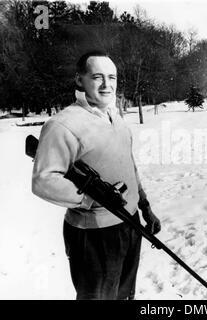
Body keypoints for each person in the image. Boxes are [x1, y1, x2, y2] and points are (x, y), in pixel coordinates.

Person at [32, 51, 161, 300]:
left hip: (129, 223)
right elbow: (43, 179)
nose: (107, 84)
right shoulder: (62, 124)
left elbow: (129, 165)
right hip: (95, 235)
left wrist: (145, 206)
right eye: (97, 77)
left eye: (112, 77)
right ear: (80, 80)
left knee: (124, 296)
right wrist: (89, 200)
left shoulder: (117, 118)